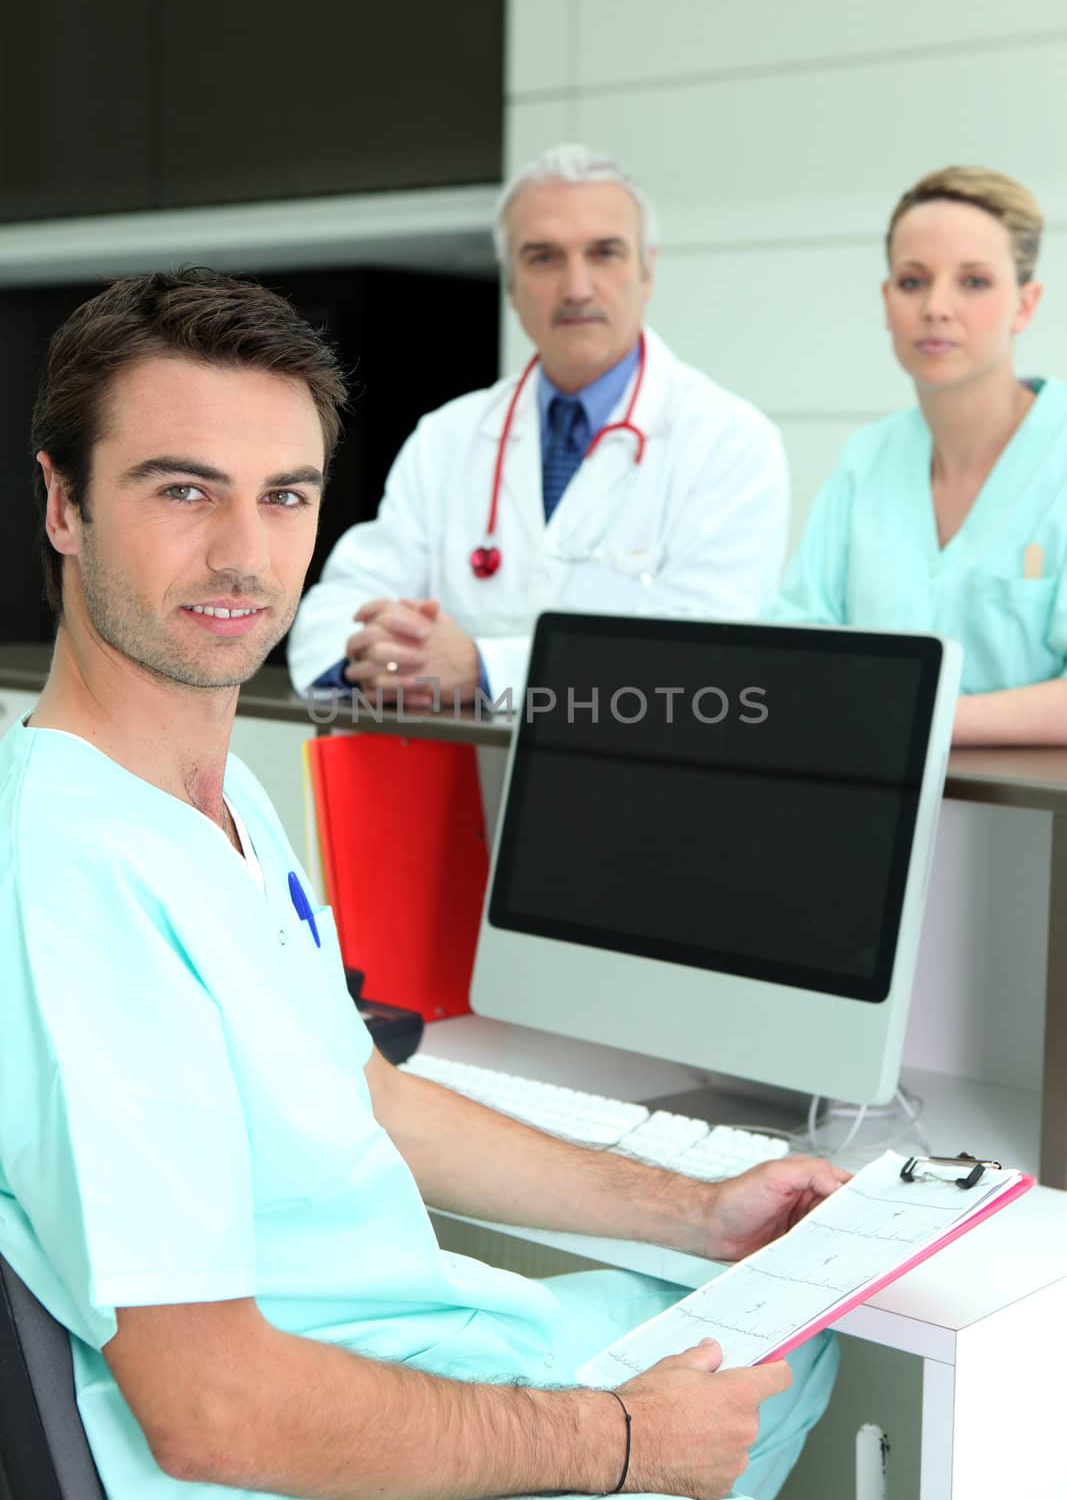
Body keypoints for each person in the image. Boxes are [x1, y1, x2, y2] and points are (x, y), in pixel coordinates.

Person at [0, 269, 841, 1500]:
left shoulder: (223, 806)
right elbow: (211, 1410)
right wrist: (617, 1441)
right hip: (284, 1449)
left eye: (283, 496)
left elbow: (362, 1095)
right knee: (779, 1360)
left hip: (395, 1347)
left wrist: (694, 1209)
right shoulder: (72, 873)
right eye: (183, 489)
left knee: (778, 1313)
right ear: (64, 504)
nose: (243, 554)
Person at [287, 144, 789, 704]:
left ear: (648, 272)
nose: (576, 287)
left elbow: (698, 660)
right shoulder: (449, 437)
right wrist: (386, 657)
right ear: (512, 285)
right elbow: (338, 607)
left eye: (604, 253)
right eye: (544, 257)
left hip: (642, 780)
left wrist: (482, 669)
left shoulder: (730, 443)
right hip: (458, 783)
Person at [776, 164, 1067, 745]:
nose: (936, 306)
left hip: (1035, 825)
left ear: (1025, 305)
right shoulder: (868, 459)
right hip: (867, 805)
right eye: (912, 282)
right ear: (887, 303)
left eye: (974, 282)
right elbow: (796, 650)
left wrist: (918, 717)